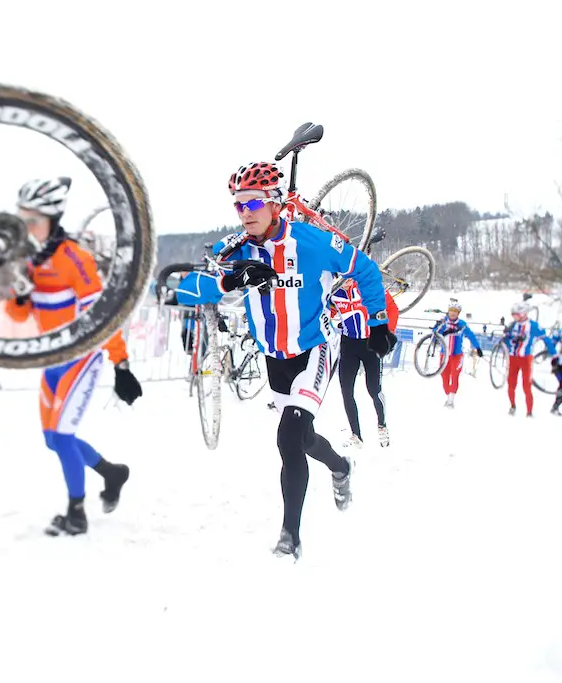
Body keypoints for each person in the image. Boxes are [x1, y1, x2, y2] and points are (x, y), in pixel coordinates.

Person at [176, 161, 396, 560]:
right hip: (275, 360)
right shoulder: (237, 249)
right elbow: (190, 291)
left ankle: (289, 538)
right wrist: (230, 280)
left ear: (275, 202)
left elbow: (364, 270)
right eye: (238, 205)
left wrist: (378, 321)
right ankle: (341, 467)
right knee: (305, 440)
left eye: (253, 203)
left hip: (314, 349)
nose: (245, 212)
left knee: (289, 438)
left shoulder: (311, 242)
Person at [3, 177, 141, 536]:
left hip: (82, 357)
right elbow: (18, 315)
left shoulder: (73, 258)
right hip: (51, 359)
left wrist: (120, 363)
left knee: (63, 437)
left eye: (34, 220)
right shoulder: (27, 260)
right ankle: (112, 473)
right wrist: (18, 294)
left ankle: (76, 513)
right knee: (52, 439)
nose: (27, 228)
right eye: (23, 220)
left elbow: (104, 313)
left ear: (53, 219)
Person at [330, 278, 399, 448]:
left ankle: (382, 425)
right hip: (349, 344)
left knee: (374, 390)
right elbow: (325, 312)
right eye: (339, 277)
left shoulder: (368, 286)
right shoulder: (333, 293)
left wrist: (388, 333)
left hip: (371, 344)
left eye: (346, 278)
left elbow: (392, 309)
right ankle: (356, 435)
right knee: (346, 390)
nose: (343, 282)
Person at [502, 301, 556, 417]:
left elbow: (546, 339)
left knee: (527, 385)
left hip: (526, 359)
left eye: (516, 314)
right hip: (513, 358)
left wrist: (553, 353)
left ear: (523, 313)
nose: (514, 317)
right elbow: (506, 340)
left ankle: (529, 411)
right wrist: (507, 338)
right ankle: (512, 406)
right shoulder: (512, 325)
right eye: (513, 315)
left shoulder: (534, 326)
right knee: (511, 384)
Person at [434, 298, 483, 407]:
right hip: (444, 354)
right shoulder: (443, 322)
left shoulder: (462, 324)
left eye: (455, 311)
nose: (452, 313)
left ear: (458, 313)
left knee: (455, 375)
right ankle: (448, 395)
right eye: (451, 310)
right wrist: (435, 328)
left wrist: (478, 348)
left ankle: (451, 399)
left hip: (457, 355)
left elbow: (471, 336)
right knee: (444, 376)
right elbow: (434, 333)